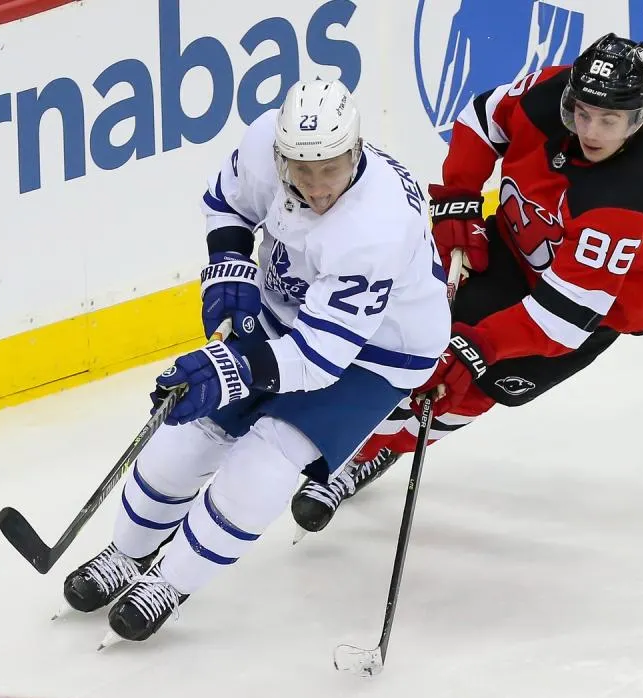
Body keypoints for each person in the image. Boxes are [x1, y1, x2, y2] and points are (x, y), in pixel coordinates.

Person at [60, 77, 451, 644]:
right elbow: (227, 206)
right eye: (301, 168)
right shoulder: (265, 140)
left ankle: (170, 582)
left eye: (331, 169)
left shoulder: (375, 229)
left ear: (356, 150)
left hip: (378, 349)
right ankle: (126, 553)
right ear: (280, 152)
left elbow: (318, 360)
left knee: (265, 460)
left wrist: (226, 372)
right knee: (190, 436)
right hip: (288, 304)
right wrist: (230, 269)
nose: (316, 186)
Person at [291, 34, 643, 534]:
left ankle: (374, 451)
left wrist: (479, 347)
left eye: (609, 121)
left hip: (592, 308)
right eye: (582, 113)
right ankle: (357, 435)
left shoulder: (627, 197)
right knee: (415, 338)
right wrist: (458, 195)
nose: (589, 129)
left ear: (640, 118)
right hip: (517, 245)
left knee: (471, 385)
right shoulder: (551, 93)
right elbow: (483, 120)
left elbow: (563, 316)